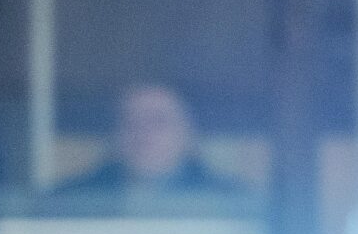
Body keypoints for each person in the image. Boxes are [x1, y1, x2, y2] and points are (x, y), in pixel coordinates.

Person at [62, 83, 234, 195]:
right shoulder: (70, 201)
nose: (143, 132)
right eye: (130, 121)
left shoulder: (231, 203)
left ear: (188, 134)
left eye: (158, 121)